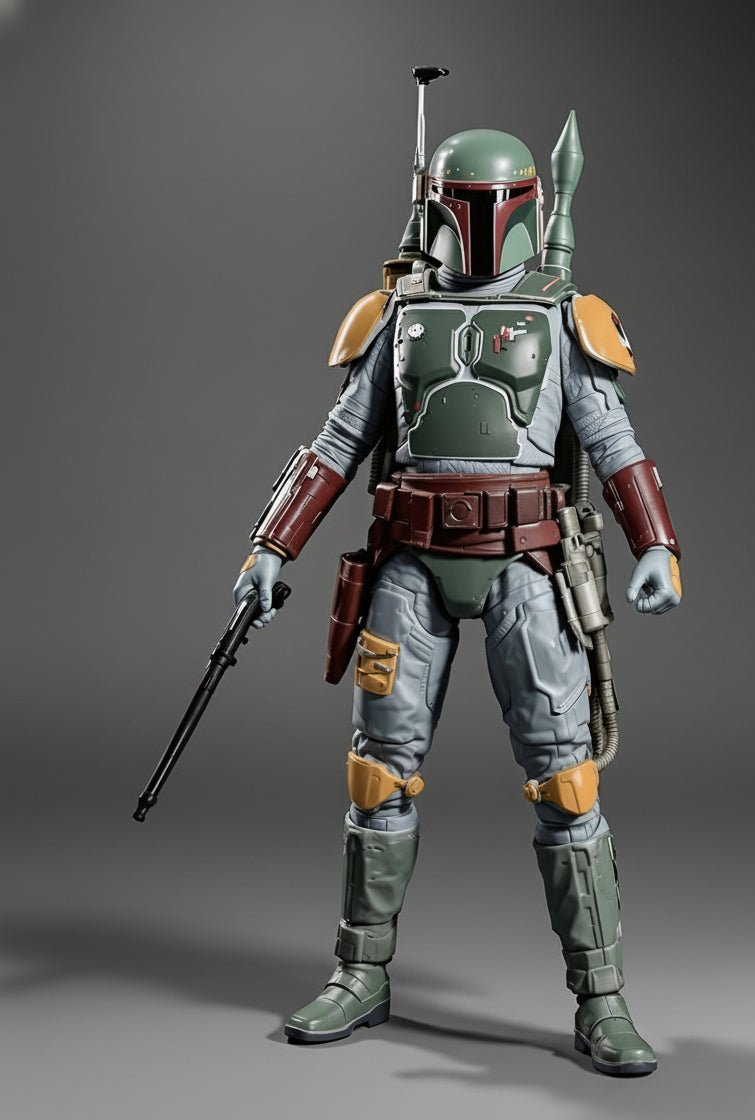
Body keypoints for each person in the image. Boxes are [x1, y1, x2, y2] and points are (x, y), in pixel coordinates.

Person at [233, 118, 681, 1077]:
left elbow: (613, 440)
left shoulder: (564, 314)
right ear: (434, 204)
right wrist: (273, 544)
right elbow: (338, 441)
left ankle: (601, 995)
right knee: (378, 773)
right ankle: (360, 972)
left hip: (527, 562)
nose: (478, 223)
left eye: (493, 205)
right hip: (409, 562)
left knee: (567, 780)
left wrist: (656, 543)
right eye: (463, 204)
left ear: (527, 206)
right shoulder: (396, 312)